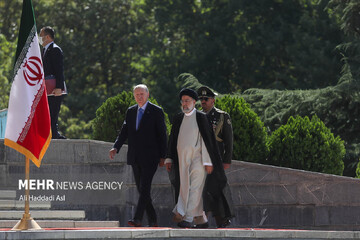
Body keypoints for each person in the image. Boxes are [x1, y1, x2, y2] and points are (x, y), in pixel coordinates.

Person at [165, 88, 227, 228]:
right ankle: (201, 220)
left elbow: (207, 141)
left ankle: (187, 217)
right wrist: (169, 158)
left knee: (195, 189)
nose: (185, 104)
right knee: (185, 187)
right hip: (182, 160)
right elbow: (172, 139)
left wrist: (207, 161)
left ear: (194, 102)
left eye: (187, 101)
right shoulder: (178, 117)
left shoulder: (201, 117)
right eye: (183, 101)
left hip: (199, 159)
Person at [109, 84, 167, 227]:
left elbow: (162, 135)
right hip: (135, 157)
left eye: (142, 94)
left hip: (151, 157)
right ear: (134, 96)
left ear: (148, 95)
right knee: (142, 190)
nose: (139, 97)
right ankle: (153, 219)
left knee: (145, 187)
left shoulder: (156, 111)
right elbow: (124, 132)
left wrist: (163, 156)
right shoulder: (131, 111)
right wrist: (115, 147)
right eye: (137, 94)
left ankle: (138, 218)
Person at [197, 86, 234, 228]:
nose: (203, 102)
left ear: (213, 100)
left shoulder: (221, 116)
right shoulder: (198, 116)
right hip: (200, 158)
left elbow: (229, 141)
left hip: (215, 158)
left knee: (214, 189)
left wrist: (227, 160)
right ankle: (215, 219)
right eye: (201, 99)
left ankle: (217, 218)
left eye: (206, 99)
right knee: (204, 189)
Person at [39, 26, 66, 139]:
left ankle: (54, 134)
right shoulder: (45, 50)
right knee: (47, 111)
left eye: (41, 36)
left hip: (55, 88)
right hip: (47, 88)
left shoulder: (55, 49)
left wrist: (59, 87)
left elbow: (59, 70)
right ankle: (49, 133)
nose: (39, 39)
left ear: (48, 37)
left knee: (53, 111)